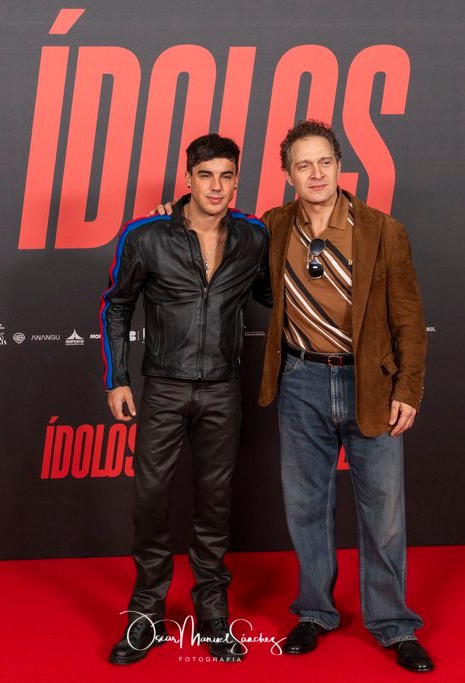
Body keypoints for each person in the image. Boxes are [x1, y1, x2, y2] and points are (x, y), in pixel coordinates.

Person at [258, 119, 433, 673]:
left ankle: (393, 624)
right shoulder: (272, 226)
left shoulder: (382, 230)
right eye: (303, 165)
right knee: (306, 505)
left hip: (369, 383)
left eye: (324, 162)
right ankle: (314, 612)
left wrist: (408, 388)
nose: (316, 174)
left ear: (339, 167)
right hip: (300, 381)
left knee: (384, 513)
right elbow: (213, 234)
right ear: (288, 174)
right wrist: (174, 213)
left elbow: (409, 320)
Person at [100, 133, 270, 665]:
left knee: (215, 504)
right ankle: (146, 613)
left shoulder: (254, 236)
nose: (216, 186)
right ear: (189, 179)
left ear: (236, 181)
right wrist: (117, 379)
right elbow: (117, 306)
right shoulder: (146, 234)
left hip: (223, 389)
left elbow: (272, 293)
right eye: (206, 175)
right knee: (150, 498)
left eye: (226, 176)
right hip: (165, 388)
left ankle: (212, 615)